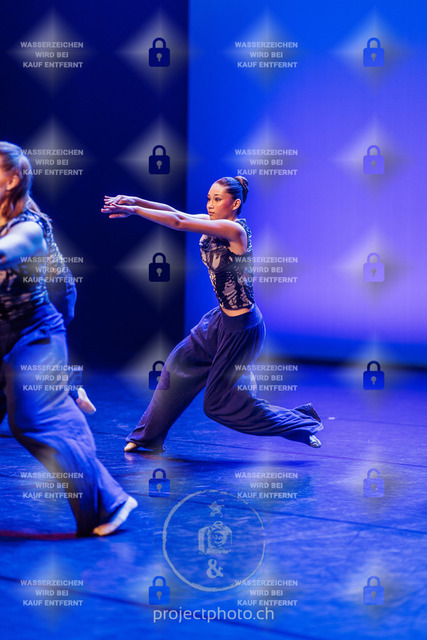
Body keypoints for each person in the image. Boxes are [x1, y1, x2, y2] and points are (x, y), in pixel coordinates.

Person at [102, 176, 323, 453]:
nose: (210, 204)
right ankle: (148, 437)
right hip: (219, 321)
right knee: (178, 364)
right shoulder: (211, 223)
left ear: (235, 203)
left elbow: (178, 223)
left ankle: (300, 422)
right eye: (209, 198)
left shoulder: (234, 231)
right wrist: (135, 201)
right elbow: (175, 213)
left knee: (217, 405)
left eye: (217, 199)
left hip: (241, 329)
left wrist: (135, 211)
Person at [0, 142, 136, 536]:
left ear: (12, 180)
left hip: (39, 320)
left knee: (30, 419)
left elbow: (11, 253)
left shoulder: (28, 225)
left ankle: (107, 503)